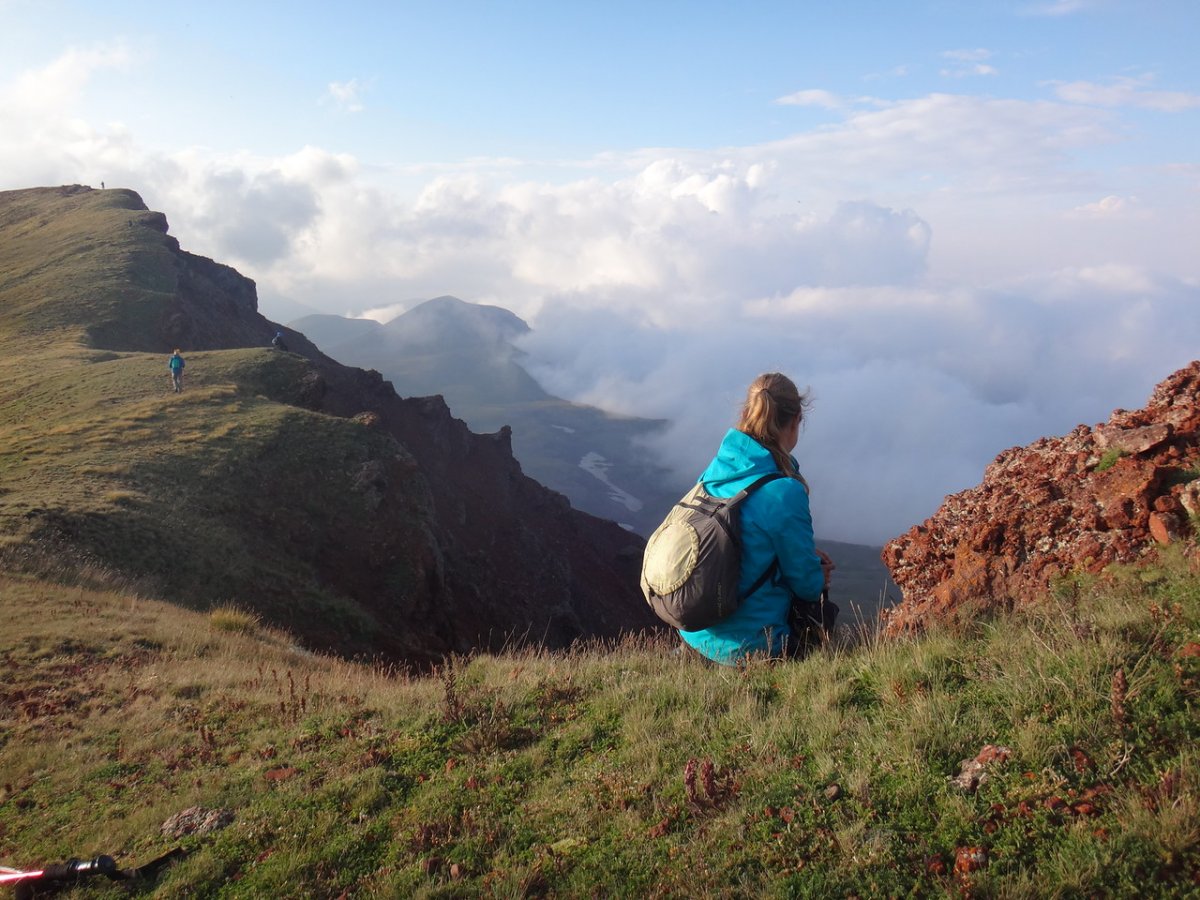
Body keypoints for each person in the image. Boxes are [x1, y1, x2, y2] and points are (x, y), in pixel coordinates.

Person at [679, 373, 836, 665]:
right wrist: (817, 571)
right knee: (821, 611)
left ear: (745, 414)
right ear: (796, 420)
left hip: (695, 630)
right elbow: (807, 586)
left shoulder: (718, 468)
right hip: (753, 646)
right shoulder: (783, 492)